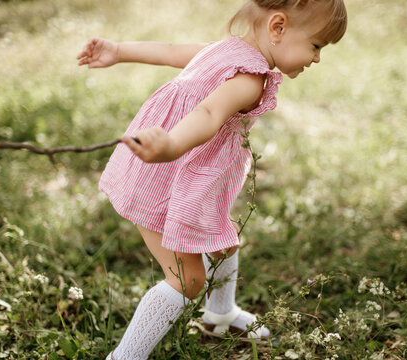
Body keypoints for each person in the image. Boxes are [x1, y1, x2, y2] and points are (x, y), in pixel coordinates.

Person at [77, 0, 347, 358]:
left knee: (222, 239)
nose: (316, 58)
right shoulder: (250, 79)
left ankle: (220, 313)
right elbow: (207, 113)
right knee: (187, 280)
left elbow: (172, 52)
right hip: (165, 171)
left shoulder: (228, 49)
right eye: (316, 45)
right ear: (278, 27)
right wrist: (171, 143)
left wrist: (119, 50)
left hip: (181, 171)